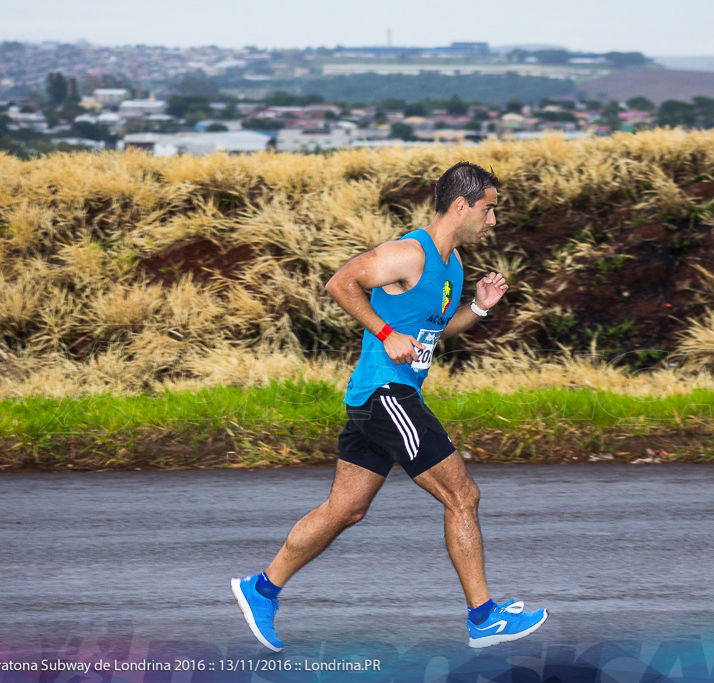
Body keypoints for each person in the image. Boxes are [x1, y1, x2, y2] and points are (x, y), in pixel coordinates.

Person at [231, 161, 548, 650]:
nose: (493, 221)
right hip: (386, 393)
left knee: (345, 510)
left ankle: (261, 588)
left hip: (378, 397)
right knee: (462, 497)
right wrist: (384, 332)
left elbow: (434, 332)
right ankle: (484, 617)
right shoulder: (408, 253)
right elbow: (340, 283)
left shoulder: (453, 265)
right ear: (460, 205)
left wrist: (480, 307)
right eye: (488, 210)